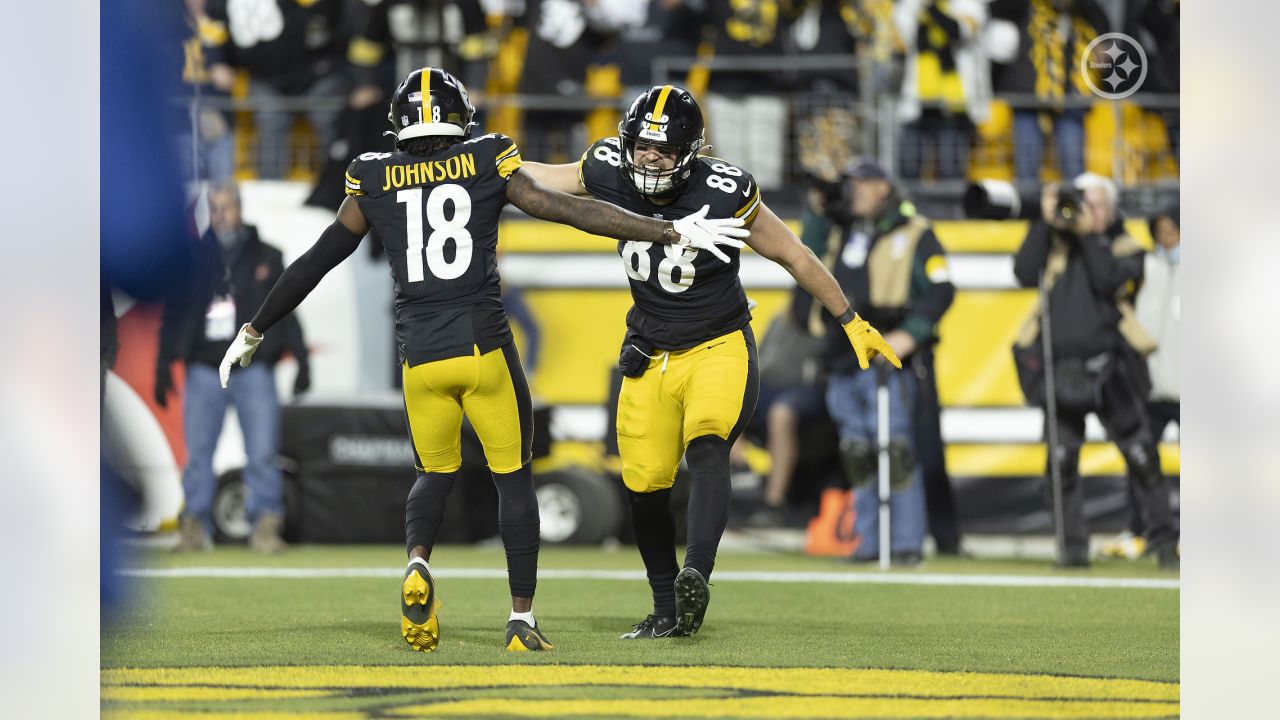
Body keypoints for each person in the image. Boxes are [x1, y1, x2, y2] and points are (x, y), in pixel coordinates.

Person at [218, 68, 749, 653]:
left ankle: (419, 560)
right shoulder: (484, 159)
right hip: (483, 347)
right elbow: (571, 211)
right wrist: (667, 231)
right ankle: (521, 618)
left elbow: (315, 262)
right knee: (513, 480)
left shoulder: (372, 176)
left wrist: (255, 327)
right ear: (459, 118)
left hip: (420, 358)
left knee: (432, 476)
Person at [521, 84, 901, 639]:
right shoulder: (605, 165)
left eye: (664, 150)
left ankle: (695, 575)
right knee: (644, 483)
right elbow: (537, 176)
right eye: (642, 147)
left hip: (716, 344)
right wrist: (481, 160)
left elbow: (792, 252)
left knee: (707, 445)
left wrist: (850, 319)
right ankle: (664, 607)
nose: (649, 159)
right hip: (649, 352)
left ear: (691, 152)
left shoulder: (724, 190)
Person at [1012, 174, 1179, 569]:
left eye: (1098, 204)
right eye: (1083, 203)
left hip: (1111, 366)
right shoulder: (1055, 245)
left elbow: (1109, 282)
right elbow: (1022, 271)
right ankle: (1071, 551)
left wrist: (1088, 235)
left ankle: (1164, 544)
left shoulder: (1127, 248)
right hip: (1061, 366)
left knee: (1141, 456)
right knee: (1061, 461)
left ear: (1112, 207)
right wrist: (1045, 219)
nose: (1089, 211)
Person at [808, 159, 956, 565]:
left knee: (896, 449)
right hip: (842, 356)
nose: (851, 192)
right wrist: (821, 197)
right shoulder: (844, 229)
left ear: (883, 187)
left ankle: (907, 543)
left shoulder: (916, 232)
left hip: (886, 355)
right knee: (856, 451)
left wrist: (909, 335)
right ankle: (869, 542)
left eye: (859, 184)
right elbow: (808, 243)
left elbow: (942, 290)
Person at [157, 183, 311, 555]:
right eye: (215, 208)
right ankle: (193, 528)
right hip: (205, 366)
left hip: (252, 365)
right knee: (198, 454)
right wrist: (162, 361)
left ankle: (266, 527)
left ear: (240, 209)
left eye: (226, 207)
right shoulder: (193, 259)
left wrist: (302, 360)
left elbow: (287, 308)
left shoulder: (267, 255)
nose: (221, 215)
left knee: (261, 452)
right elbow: (175, 313)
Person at [1104, 205, 1180, 558]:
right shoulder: (1147, 266)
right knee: (1140, 461)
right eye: (1160, 231)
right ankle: (1140, 530)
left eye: (1172, 230)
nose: (1166, 238)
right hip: (1150, 384)